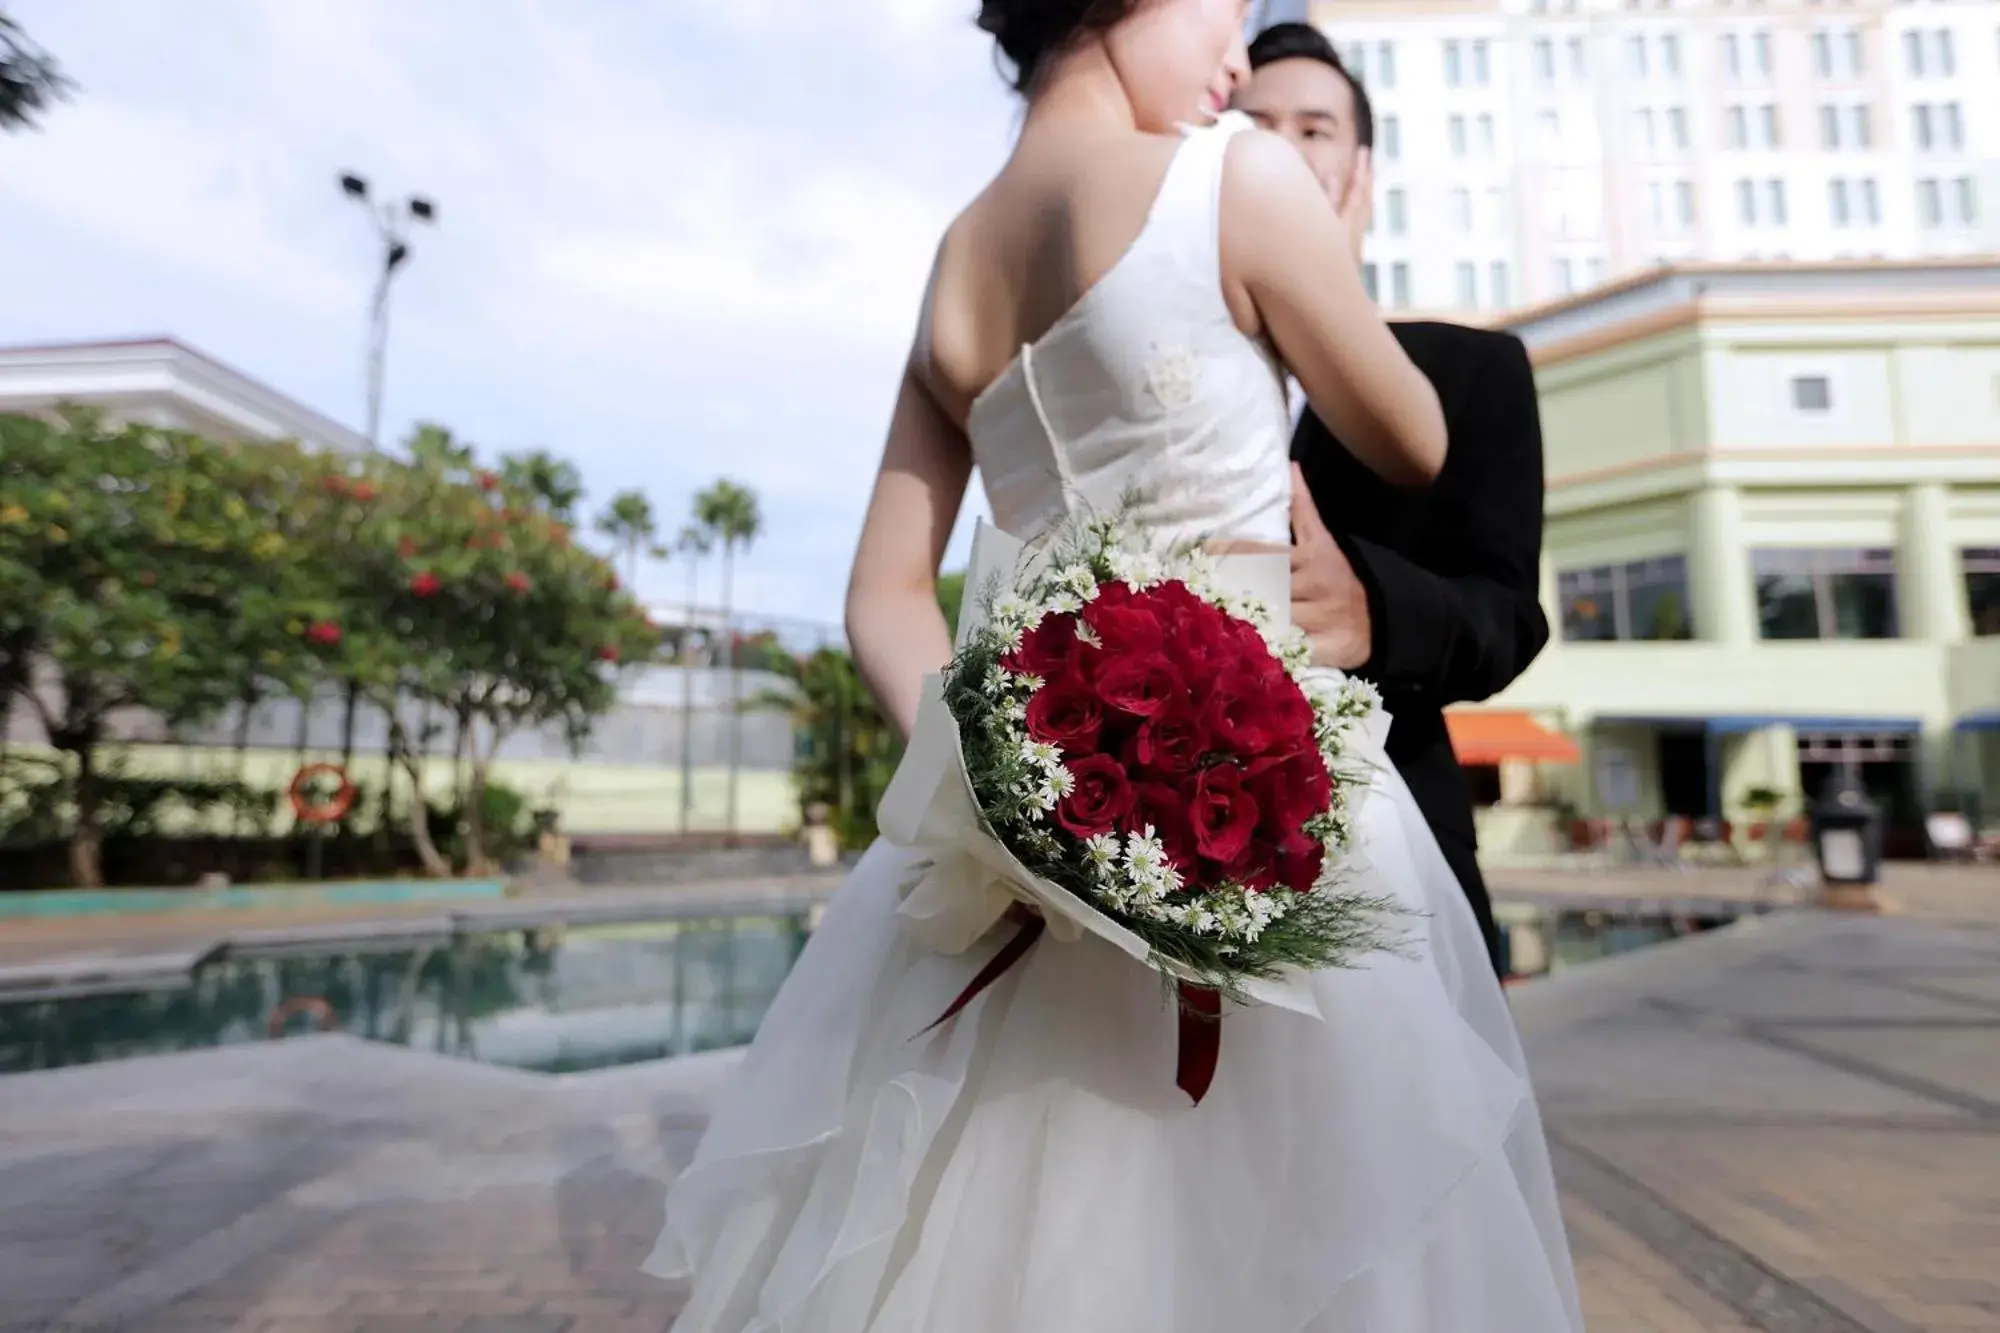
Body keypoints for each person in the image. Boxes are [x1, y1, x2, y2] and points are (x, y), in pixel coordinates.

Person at [650, 4, 1583, 1329]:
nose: (1235, 71)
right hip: (1257, 819)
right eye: (1221, 14)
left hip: (1037, 869)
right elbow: (1416, 440)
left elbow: (881, 597)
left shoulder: (955, 259)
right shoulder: (1233, 177)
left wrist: (1023, 785)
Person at [1239, 22, 1552, 978]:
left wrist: (1372, 609)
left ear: (1360, 173)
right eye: (1252, 126)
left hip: (1394, 859)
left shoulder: (1470, 372)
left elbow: (1507, 616)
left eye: (1314, 128)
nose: (1280, 150)